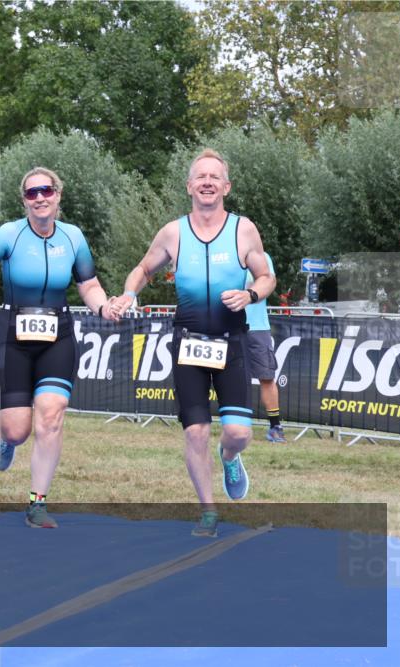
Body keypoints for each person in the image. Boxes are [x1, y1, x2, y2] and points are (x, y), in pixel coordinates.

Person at [110, 149, 275, 538]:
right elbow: (143, 269)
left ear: (226, 187)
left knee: (238, 433)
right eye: (200, 176)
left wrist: (250, 295)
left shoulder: (243, 230)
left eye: (214, 177)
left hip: (231, 341)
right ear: (189, 186)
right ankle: (208, 511)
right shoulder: (172, 232)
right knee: (196, 431)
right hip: (186, 344)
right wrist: (129, 294)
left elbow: (266, 276)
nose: (207, 182)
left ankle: (230, 458)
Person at [0, 167, 119, 529]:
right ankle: (6, 441)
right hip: (12, 336)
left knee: (52, 413)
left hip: (56, 335)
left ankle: (37, 504)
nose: (40, 197)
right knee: (18, 430)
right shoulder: (8, 234)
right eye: (32, 193)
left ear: (58, 195)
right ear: (24, 201)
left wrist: (104, 306)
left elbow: (88, 283)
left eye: (46, 191)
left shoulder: (73, 237)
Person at [245, 252, 285, 443]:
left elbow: (269, 285)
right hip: (225, 327)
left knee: (267, 377)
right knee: (216, 375)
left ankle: (275, 427)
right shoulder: (221, 255)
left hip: (257, 327)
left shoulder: (262, 257)